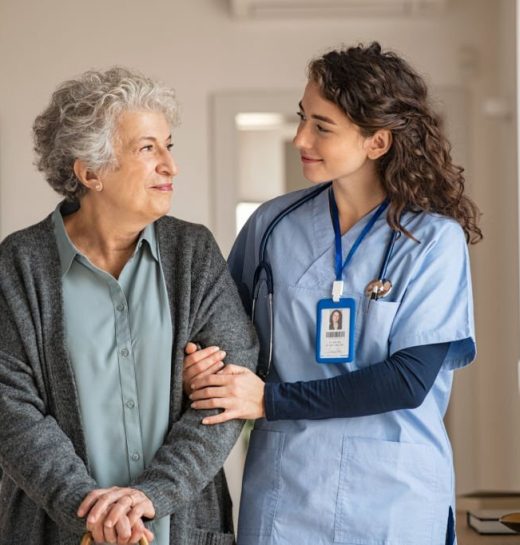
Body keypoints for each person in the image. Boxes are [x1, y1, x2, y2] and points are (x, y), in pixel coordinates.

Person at [183, 42, 481, 545]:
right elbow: (224, 334)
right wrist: (204, 365)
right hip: (287, 489)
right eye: (303, 118)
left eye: (322, 126)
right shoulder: (271, 226)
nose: (300, 137)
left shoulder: (432, 241)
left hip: (394, 496)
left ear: (377, 142)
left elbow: (408, 380)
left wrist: (270, 401)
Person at [0, 67, 258, 545]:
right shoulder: (19, 264)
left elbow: (228, 389)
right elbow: (10, 408)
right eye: (147, 148)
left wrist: (152, 495)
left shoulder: (193, 253)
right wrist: (91, 511)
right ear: (90, 171)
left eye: (168, 145)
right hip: (53, 530)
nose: (170, 166)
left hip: (180, 529)